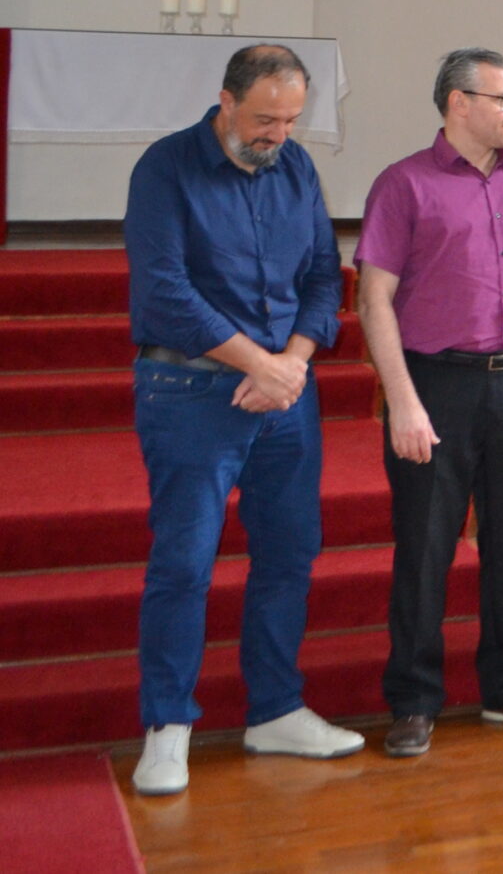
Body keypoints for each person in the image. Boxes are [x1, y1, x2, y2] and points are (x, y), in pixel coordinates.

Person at [123, 45, 365, 796]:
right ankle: (168, 725)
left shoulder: (295, 168)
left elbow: (323, 276)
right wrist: (258, 364)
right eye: (265, 119)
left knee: (289, 552)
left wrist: (289, 362)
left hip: (285, 395)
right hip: (189, 390)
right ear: (226, 102)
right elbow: (164, 291)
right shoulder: (166, 168)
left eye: (290, 120)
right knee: (185, 562)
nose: (278, 134)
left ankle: (276, 709)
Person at [356, 48, 503, 757]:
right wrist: (402, 400)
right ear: (458, 103)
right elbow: (373, 297)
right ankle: (414, 699)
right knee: (425, 546)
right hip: (436, 384)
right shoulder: (404, 184)